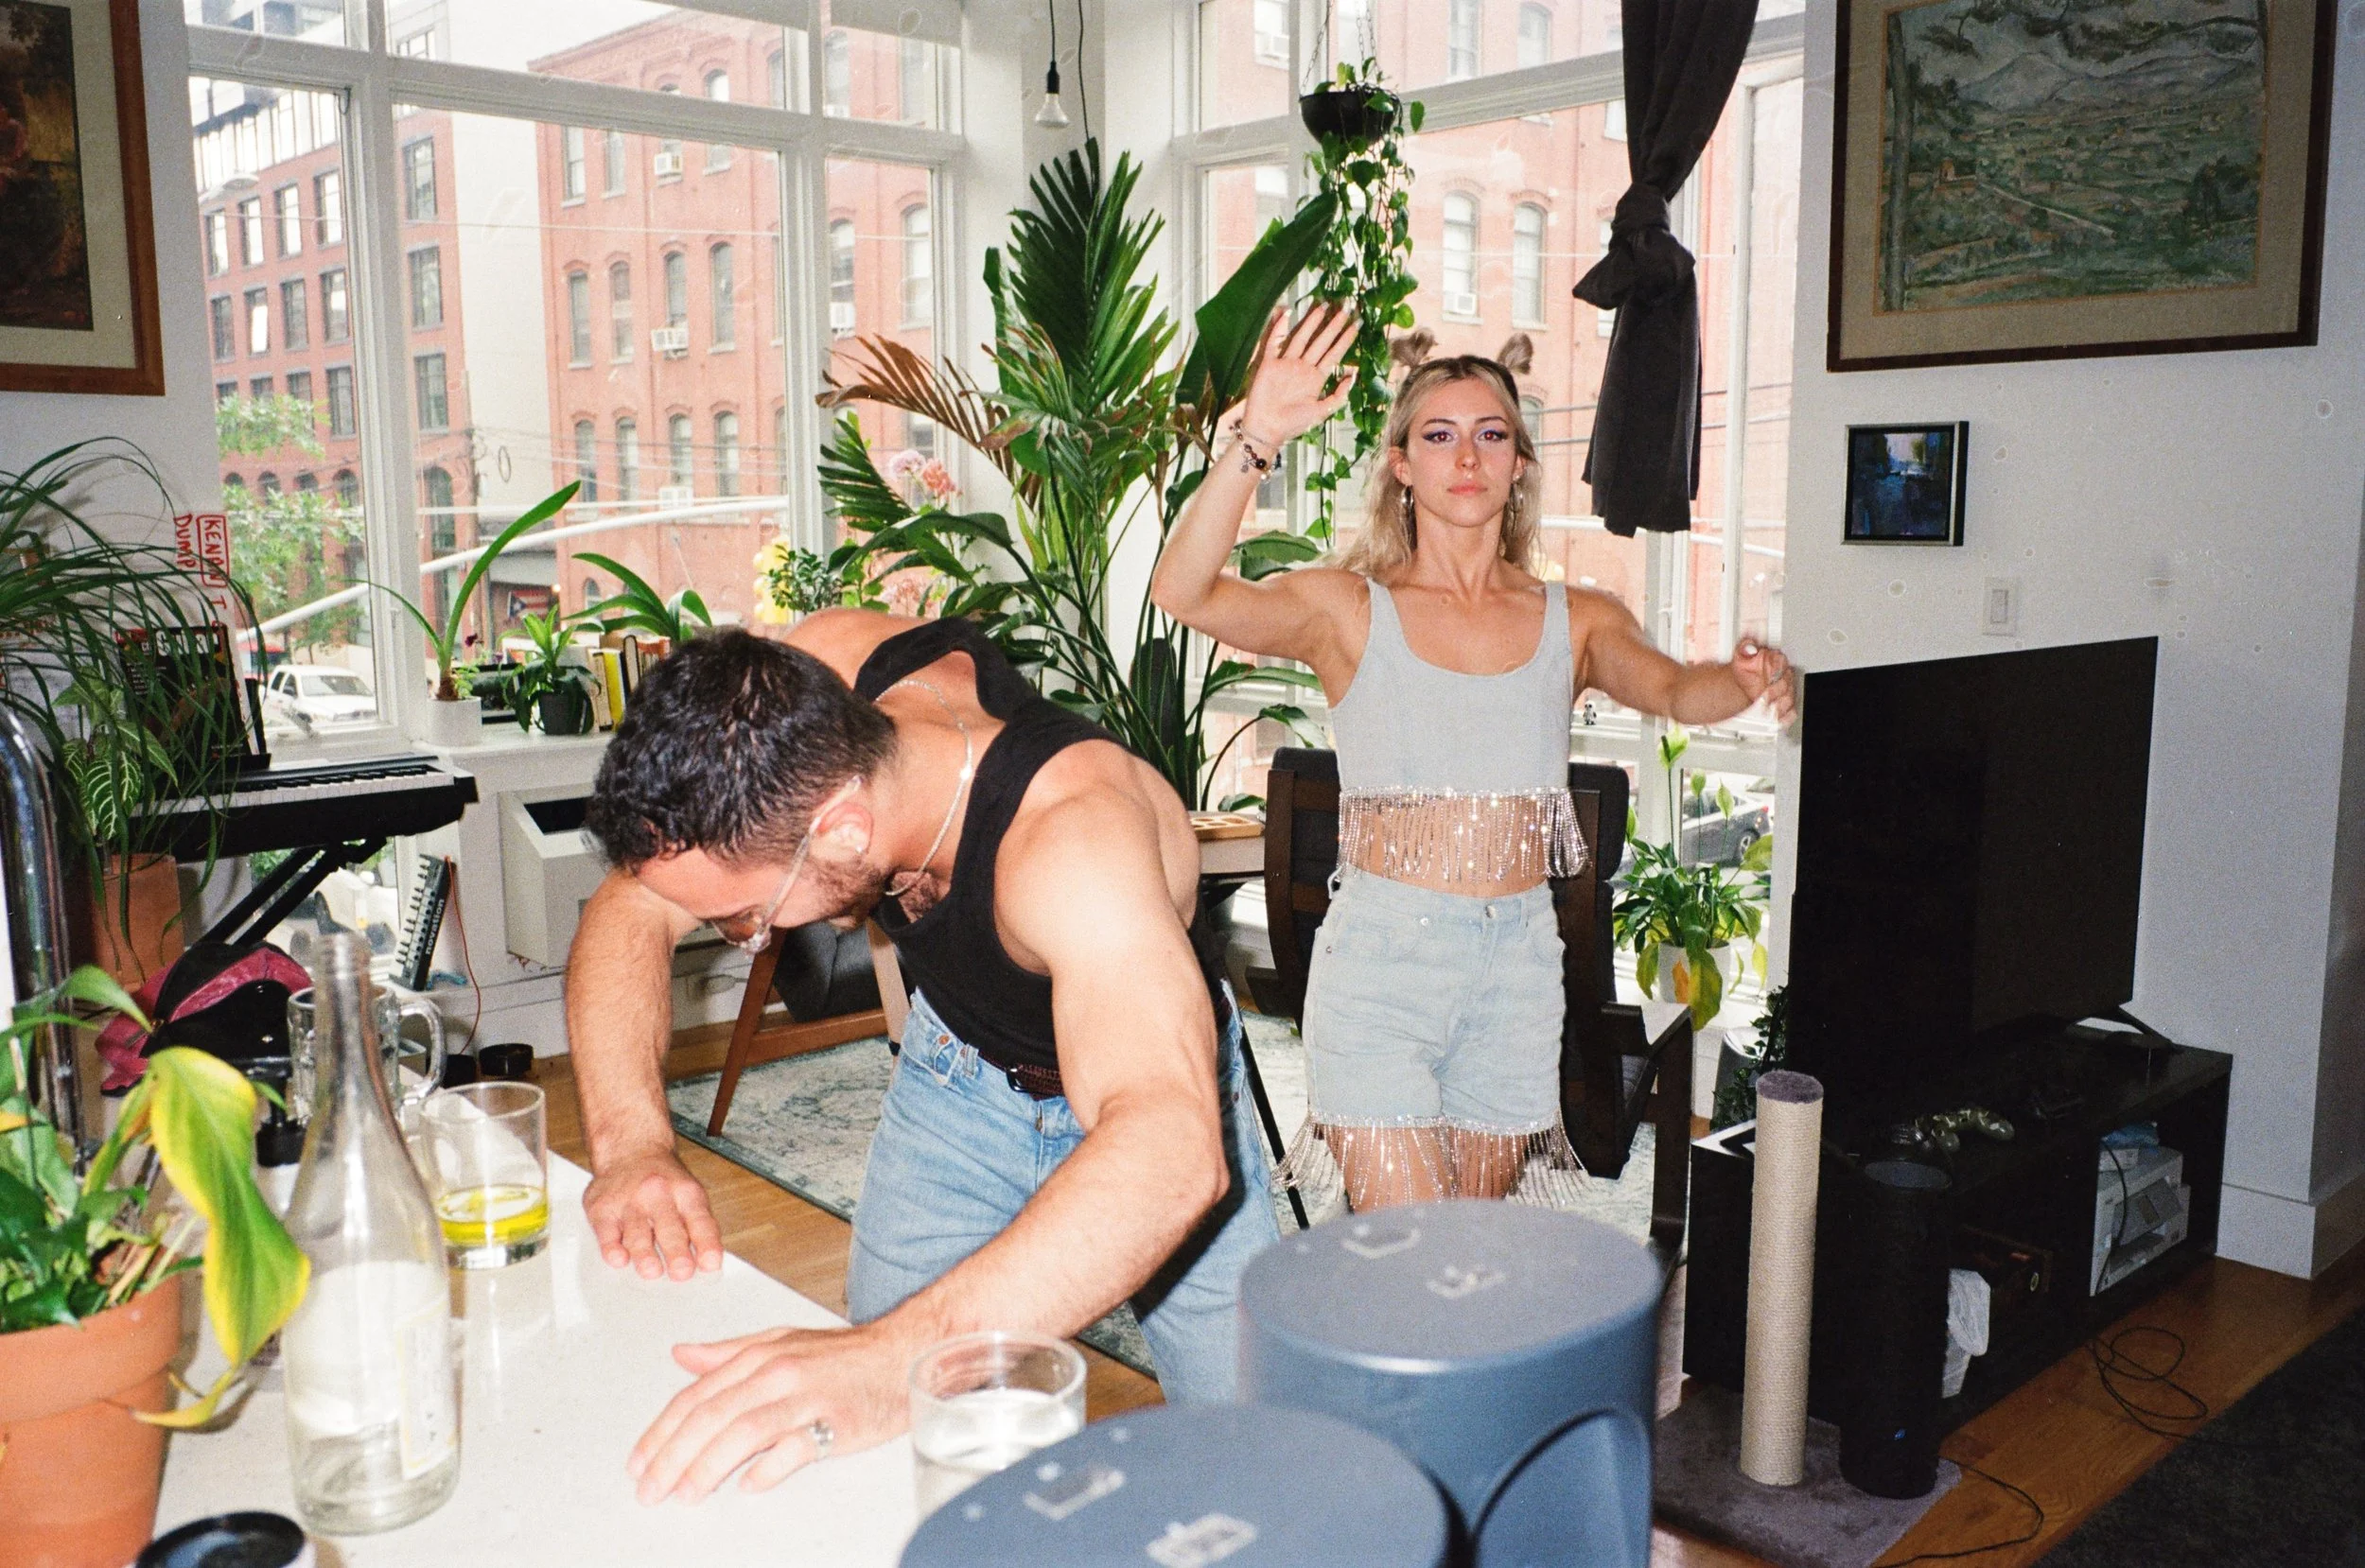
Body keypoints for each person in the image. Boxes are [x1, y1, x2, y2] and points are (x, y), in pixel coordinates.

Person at [568, 618, 1276, 1505]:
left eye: (746, 919)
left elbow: (1169, 1155)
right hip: (958, 1079)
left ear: (845, 830)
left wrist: (874, 1366)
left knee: (1259, 1459)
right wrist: (632, 1143)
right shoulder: (805, 688)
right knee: (893, 1451)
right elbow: (630, 908)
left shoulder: (1074, 842)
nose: (747, 937)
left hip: (1157, 1097)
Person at [1150, 308, 1795, 1215]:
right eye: (1439, 435)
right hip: (1381, 967)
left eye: (1491, 435)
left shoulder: (1581, 618)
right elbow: (1182, 590)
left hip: (1519, 969)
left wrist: (1741, 680)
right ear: (1402, 465)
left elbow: (1680, 692)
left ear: (1520, 465)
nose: (1467, 456)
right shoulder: (1347, 609)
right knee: (1412, 1247)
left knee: (1459, 1250)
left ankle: (1358, 1328)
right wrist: (1258, 439)